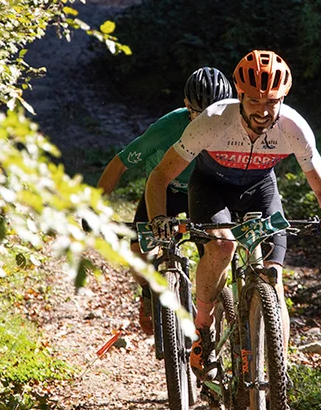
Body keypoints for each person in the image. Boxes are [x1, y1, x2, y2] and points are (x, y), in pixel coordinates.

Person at [144, 50, 321, 383]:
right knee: (222, 247)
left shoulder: (293, 127)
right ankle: (203, 328)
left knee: (274, 278)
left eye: (272, 101)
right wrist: (159, 218)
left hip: (260, 188)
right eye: (254, 100)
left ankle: (278, 377)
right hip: (211, 187)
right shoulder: (212, 120)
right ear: (239, 95)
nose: (263, 110)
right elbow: (160, 176)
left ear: (283, 98)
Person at [96, 67, 233, 335]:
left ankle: (211, 317)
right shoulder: (168, 127)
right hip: (165, 189)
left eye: (214, 113)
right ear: (186, 106)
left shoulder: (233, 125)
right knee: (138, 252)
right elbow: (120, 163)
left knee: (218, 253)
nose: (206, 121)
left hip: (206, 192)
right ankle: (148, 292)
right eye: (197, 113)